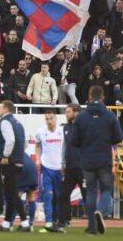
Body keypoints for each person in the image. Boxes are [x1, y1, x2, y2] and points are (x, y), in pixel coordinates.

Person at [70, 85, 123, 235]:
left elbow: (74, 141)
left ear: (89, 96)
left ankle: (92, 227)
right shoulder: (109, 115)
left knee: (91, 191)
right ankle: (101, 211)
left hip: (87, 159)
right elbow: (118, 137)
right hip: (104, 158)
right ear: (103, 98)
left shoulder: (82, 116)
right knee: (106, 189)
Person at [0, 100, 31, 232]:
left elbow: (10, 140)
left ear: (5, 109)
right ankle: (6, 223)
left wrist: (5, 156)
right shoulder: (18, 123)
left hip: (9, 162)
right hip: (18, 161)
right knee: (10, 193)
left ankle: (25, 222)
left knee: (12, 193)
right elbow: (24, 142)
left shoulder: (5, 122)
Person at [52, 103, 84, 233]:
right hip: (70, 168)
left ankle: (94, 223)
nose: (66, 114)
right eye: (66, 112)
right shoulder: (66, 128)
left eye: (68, 111)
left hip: (82, 168)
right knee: (63, 195)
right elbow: (64, 147)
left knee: (88, 196)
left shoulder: (84, 127)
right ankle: (62, 222)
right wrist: (63, 163)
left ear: (76, 112)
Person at [34, 109, 63, 232]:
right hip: (47, 169)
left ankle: (59, 221)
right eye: (47, 119)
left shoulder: (62, 132)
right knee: (47, 196)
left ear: (56, 118)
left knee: (59, 197)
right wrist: (37, 159)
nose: (49, 121)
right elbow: (37, 145)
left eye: (51, 118)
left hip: (60, 169)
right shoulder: (41, 132)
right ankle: (49, 222)